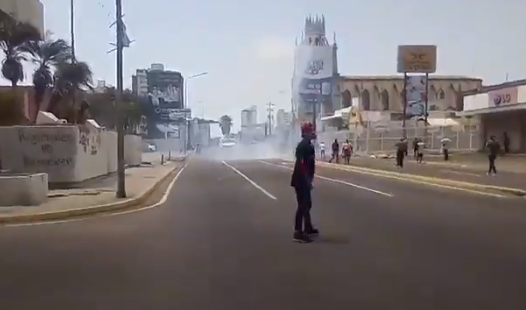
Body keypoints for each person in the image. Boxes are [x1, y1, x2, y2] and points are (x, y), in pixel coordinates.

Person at [290, 122, 318, 243]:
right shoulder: (303, 146)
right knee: (302, 205)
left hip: (305, 178)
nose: (313, 132)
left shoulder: (309, 145)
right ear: (306, 133)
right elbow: (302, 165)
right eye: (310, 130)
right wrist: (307, 180)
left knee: (308, 204)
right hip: (300, 179)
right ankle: (297, 232)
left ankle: (307, 227)